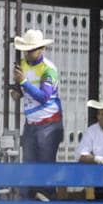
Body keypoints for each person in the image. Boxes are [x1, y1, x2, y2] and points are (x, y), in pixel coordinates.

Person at [12, 29, 64, 194]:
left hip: (49, 124)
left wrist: (24, 83)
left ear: (42, 49)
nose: (28, 53)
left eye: (32, 49)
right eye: (26, 49)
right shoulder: (22, 64)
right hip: (32, 123)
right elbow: (24, 89)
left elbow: (44, 97)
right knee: (29, 168)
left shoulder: (49, 69)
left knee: (45, 169)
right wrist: (18, 92)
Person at [77, 96, 103, 165]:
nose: (100, 117)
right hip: (96, 173)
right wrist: (97, 159)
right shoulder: (91, 131)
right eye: (98, 114)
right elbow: (81, 155)